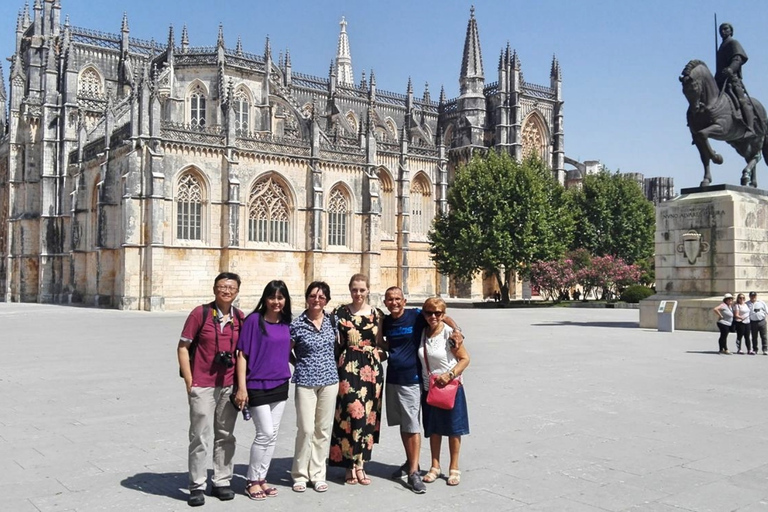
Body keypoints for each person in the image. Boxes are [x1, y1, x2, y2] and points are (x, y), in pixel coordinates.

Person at [381, 286, 464, 494]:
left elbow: (442, 316)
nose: (394, 303)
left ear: (405, 300)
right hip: (394, 378)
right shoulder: (387, 321)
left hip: (414, 379)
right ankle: (413, 463)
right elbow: (383, 346)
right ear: (385, 302)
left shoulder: (416, 315)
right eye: (390, 299)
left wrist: (457, 330)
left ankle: (414, 473)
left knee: (415, 425)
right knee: (405, 423)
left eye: (398, 299)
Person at [177, 272, 244, 507]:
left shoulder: (240, 318)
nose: (226, 291)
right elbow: (183, 347)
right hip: (202, 384)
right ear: (214, 289)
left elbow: (242, 355)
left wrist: (241, 387)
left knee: (226, 435)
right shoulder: (200, 313)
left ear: (237, 292)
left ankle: (222, 480)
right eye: (222, 286)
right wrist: (189, 381)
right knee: (199, 436)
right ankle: (196, 485)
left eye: (231, 287)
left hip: (229, 384)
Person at [234, 280, 293, 501]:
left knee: (273, 435)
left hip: (280, 384)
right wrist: (241, 388)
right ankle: (251, 480)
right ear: (265, 299)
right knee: (265, 433)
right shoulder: (253, 321)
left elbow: (289, 352)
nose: (276, 302)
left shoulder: (286, 322)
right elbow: (242, 355)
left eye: (280, 297)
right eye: (272, 297)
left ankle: (261, 478)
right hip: (256, 384)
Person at [329, 273, 385, 486]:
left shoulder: (377, 314)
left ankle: (360, 464)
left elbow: (382, 343)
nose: (358, 293)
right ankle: (347, 464)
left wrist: (381, 354)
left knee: (368, 416)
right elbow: (333, 342)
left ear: (368, 290)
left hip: (371, 370)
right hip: (348, 367)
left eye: (362, 289)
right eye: (355, 289)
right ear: (350, 289)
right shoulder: (339, 312)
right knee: (351, 413)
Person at [289, 281, 339, 493]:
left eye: (321, 296)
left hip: (329, 381)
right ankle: (300, 474)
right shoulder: (297, 324)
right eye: (312, 296)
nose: (316, 300)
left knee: (323, 430)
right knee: (306, 429)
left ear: (326, 300)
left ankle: (318, 473)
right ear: (306, 297)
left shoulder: (332, 321)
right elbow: (287, 351)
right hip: (305, 381)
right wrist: (299, 363)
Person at [418, 297, 470, 487]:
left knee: (453, 429)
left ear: (443, 314)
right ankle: (434, 466)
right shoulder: (423, 332)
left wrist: (449, 375)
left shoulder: (450, 334)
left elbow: (465, 359)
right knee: (433, 429)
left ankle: (454, 468)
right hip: (429, 388)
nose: (433, 316)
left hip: (451, 388)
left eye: (438, 313)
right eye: (429, 312)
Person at [715, 23, 755, 136]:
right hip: (720, 79)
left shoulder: (733, 43)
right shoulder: (721, 47)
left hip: (731, 78)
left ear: (730, 31)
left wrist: (730, 69)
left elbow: (738, 59)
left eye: (725, 29)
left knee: (741, 100)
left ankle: (751, 128)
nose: (722, 31)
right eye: (721, 30)